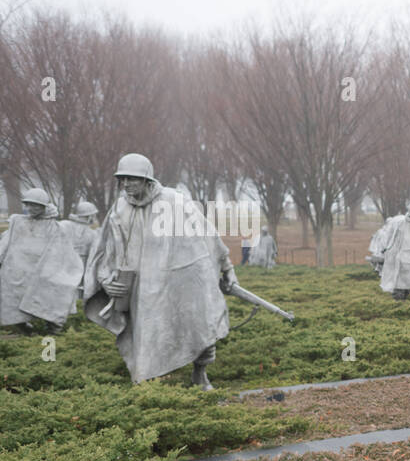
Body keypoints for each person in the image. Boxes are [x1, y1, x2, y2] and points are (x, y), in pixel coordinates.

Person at [84, 153, 236, 389]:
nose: (126, 185)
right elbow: (104, 248)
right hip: (142, 287)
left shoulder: (174, 200)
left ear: (147, 179)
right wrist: (104, 278)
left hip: (182, 278)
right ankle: (146, 381)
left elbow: (207, 235)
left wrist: (227, 268)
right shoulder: (120, 207)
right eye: (122, 179)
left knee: (198, 323)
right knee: (147, 332)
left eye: (132, 179)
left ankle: (200, 373)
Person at [0, 188, 84, 329]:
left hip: (42, 268)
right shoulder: (18, 222)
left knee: (48, 295)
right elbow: (6, 242)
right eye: (28, 204)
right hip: (17, 269)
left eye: (36, 205)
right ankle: (21, 325)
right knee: (13, 298)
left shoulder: (54, 226)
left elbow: (62, 250)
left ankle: (53, 326)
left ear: (44, 206)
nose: (31, 208)